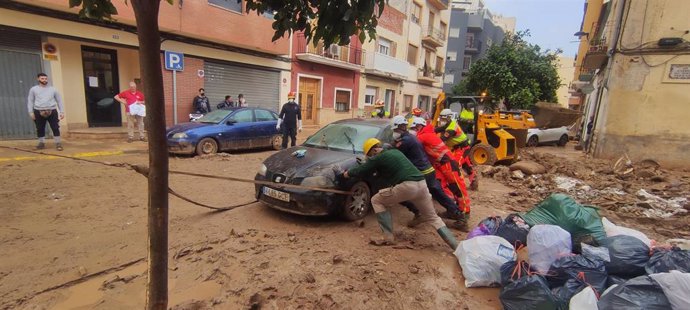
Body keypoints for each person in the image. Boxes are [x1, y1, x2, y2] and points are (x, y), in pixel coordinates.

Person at [342, 138, 458, 250]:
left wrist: (346, 174)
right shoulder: (395, 152)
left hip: (407, 186)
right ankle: (456, 246)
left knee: (376, 200)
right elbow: (386, 174)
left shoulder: (378, 158)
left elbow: (362, 169)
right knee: (433, 218)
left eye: (370, 155)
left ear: (373, 150)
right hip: (422, 185)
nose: (371, 157)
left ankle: (388, 237)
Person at [390, 116, 465, 229]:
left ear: (399, 128)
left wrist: (386, 148)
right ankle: (458, 215)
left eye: (394, 130)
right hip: (429, 170)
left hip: (421, 172)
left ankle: (418, 213)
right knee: (438, 193)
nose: (394, 133)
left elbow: (394, 153)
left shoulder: (405, 141)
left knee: (399, 191)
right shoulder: (411, 137)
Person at [411, 117, 471, 227]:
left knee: (457, 188)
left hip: (447, 163)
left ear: (420, 126)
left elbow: (413, 142)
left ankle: (464, 215)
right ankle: (453, 211)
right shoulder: (428, 133)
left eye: (415, 128)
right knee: (444, 187)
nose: (414, 130)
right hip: (441, 164)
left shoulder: (424, 135)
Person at [435, 109, 478, 190]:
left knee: (455, 166)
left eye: (444, 119)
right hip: (458, 148)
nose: (442, 121)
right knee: (466, 165)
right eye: (441, 119)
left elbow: (442, 139)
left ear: (449, 118)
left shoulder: (451, 128)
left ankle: (459, 186)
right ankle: (474, 181)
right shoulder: (449, 124)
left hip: (463, 148)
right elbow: (439, 129)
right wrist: (431, 131)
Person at [27, 73, 65, 151]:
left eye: (45, 78)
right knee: (40, 128)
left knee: (55, 127)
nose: (44, 80)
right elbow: (30, 101)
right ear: (38, 79)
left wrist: (62, 112)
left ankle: (58, 143)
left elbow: (59, 100)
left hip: (52, 110)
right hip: (38, 111)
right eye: (42, 78)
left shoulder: (53, 89)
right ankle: (41, 143)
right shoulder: (33, 89)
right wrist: (31, 112)